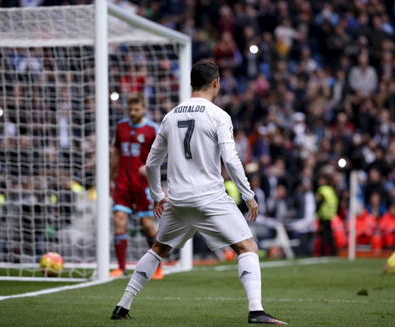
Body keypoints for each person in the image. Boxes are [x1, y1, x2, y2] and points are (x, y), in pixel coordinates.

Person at [110, 61, 286, 324]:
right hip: (209, 198)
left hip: (177, 200)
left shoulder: (170, 116)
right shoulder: (218, 115)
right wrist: (248, 195)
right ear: (216, 83)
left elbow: (150, 163)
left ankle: (122, 305)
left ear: (191, 84)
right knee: (247, 247)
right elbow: (231, 159)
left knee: (158, 249)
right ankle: (256, 311)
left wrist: (158, 195)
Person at [109, 92, 163, 280]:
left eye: (136, 109)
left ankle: (157, 267)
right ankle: (121, 268)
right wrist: (110, 177)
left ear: (144, 109)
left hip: (142, 185)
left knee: (147, 225)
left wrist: (148, 166)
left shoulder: (152, 129)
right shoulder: (121, 126)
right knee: (119, 219)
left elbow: (162, 153)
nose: (132, 112)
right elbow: (116, 152)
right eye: (130, 109)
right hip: (123, 182)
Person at [315, 173, 339, 256]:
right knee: (329, 235)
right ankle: (334, 252)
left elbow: (319, 202)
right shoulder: (331, 190)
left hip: (324, 216)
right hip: (330, 215)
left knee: (324, 235)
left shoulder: (322, 190)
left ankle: (323, 252)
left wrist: (316, 213)